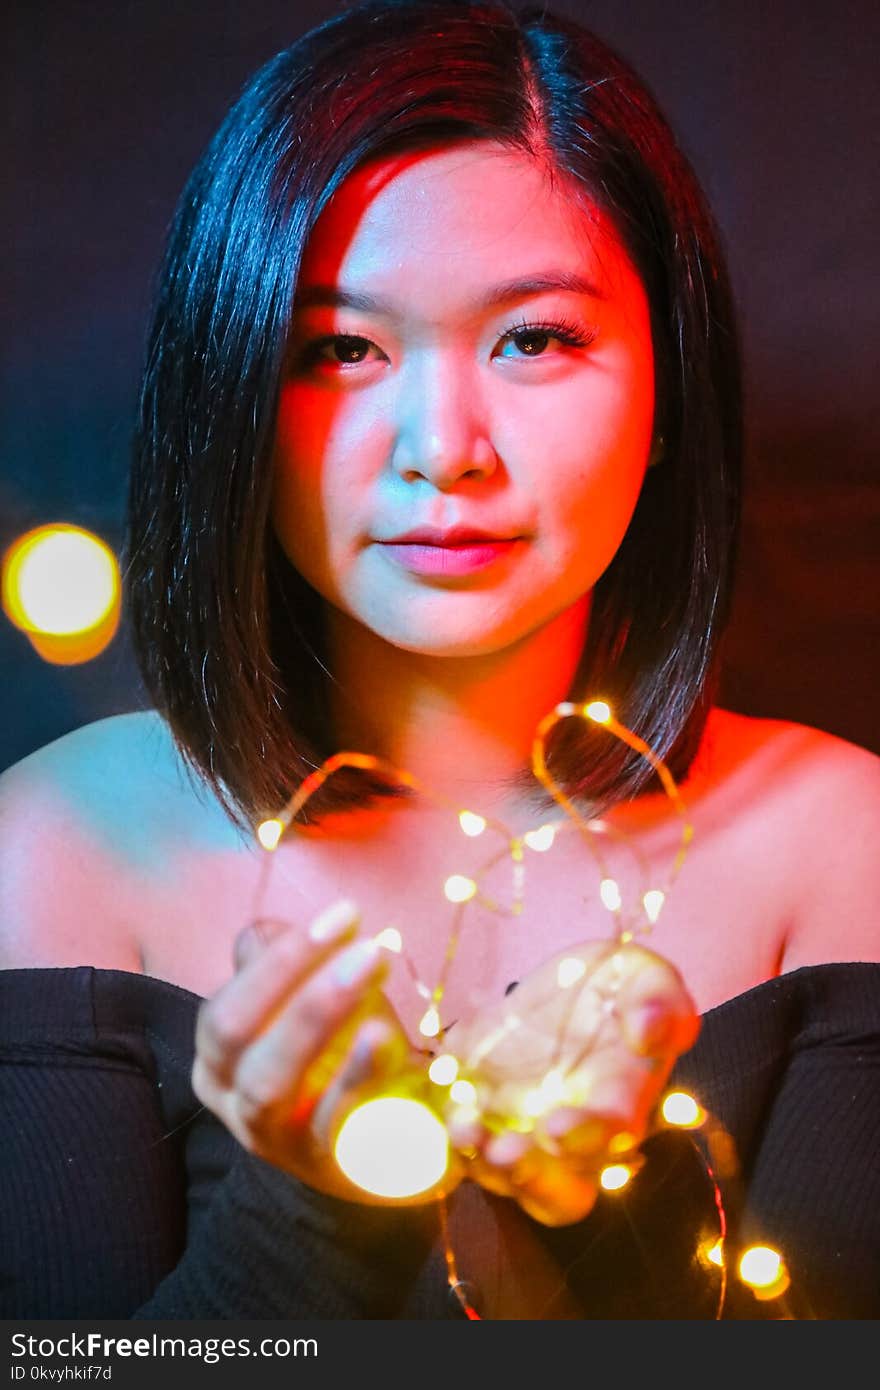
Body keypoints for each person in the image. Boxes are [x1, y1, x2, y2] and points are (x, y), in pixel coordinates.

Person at [1, 0, 878, 1322]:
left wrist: (607, 1210)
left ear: (666, 391)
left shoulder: (841, 849)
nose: (443, 447)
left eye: (534, 338)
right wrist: (318, 1202)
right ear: (231, 386)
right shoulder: (60, 849)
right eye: (341, 348)